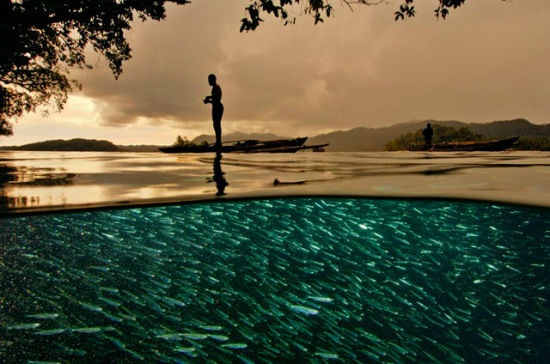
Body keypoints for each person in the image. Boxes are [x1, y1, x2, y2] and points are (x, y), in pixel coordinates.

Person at [203, 74, 224, 151]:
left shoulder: (216, 87)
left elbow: (217, 100)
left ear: (213, 80)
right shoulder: (215, 87)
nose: (208, 82)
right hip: (216, 107)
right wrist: (209, 97)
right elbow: (215, 97)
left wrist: (208, 101)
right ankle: (218, 142)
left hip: (218, 107)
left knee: (217, 124)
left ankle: (219, 143)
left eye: (209, 80)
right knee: (216, 125)